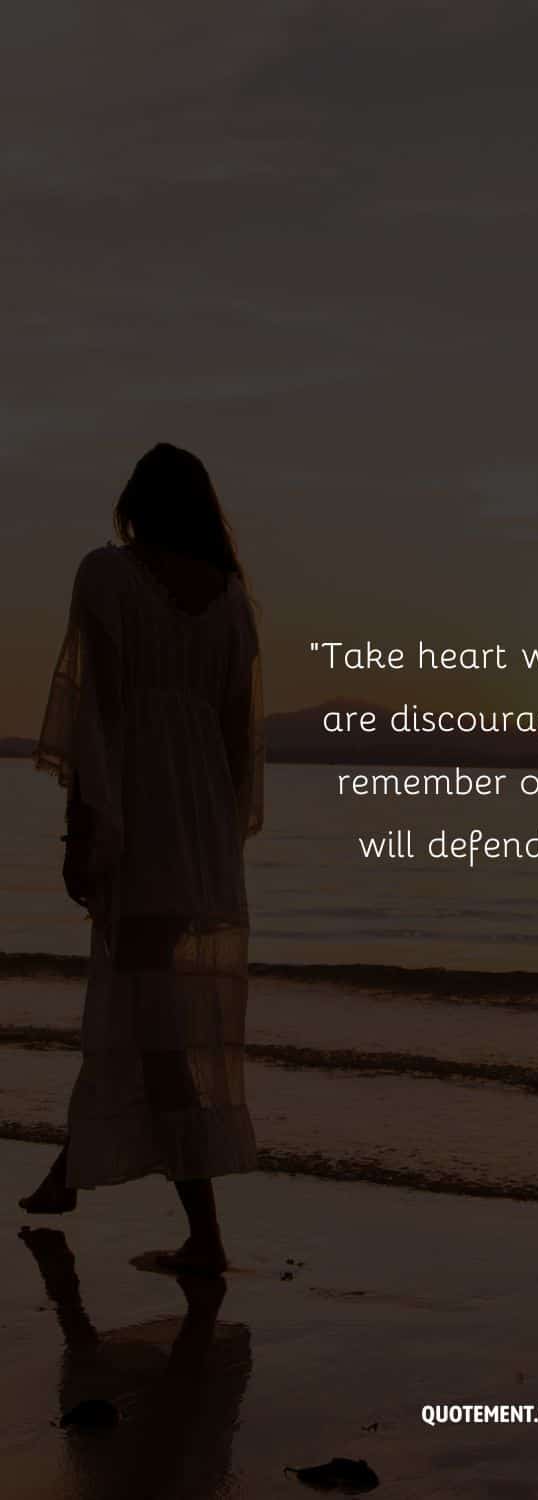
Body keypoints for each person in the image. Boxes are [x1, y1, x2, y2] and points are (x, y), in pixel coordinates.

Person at [20, 443, 264, 1276]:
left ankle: (205, 1234)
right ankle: (66, 1174)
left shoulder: (108, 576)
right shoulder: (233, 601)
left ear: (136, 502)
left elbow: (97, 715)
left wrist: (82, 829)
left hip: (144, 820)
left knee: (155, 1027)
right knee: (137, 1009)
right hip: (199, 829)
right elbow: (237, 742)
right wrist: (220, 842)